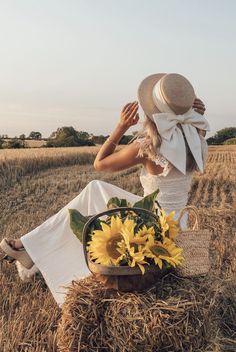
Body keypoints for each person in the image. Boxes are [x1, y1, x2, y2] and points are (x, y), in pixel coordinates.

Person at [0, 73, 209, 306]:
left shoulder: (149, 146)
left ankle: (29, 247)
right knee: (97, 194)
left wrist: (120, 127)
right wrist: (195, 117)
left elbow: (99, 164)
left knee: (94, 189)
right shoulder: (197, 139)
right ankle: (31, 248)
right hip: (180, 223)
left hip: (152, 224)